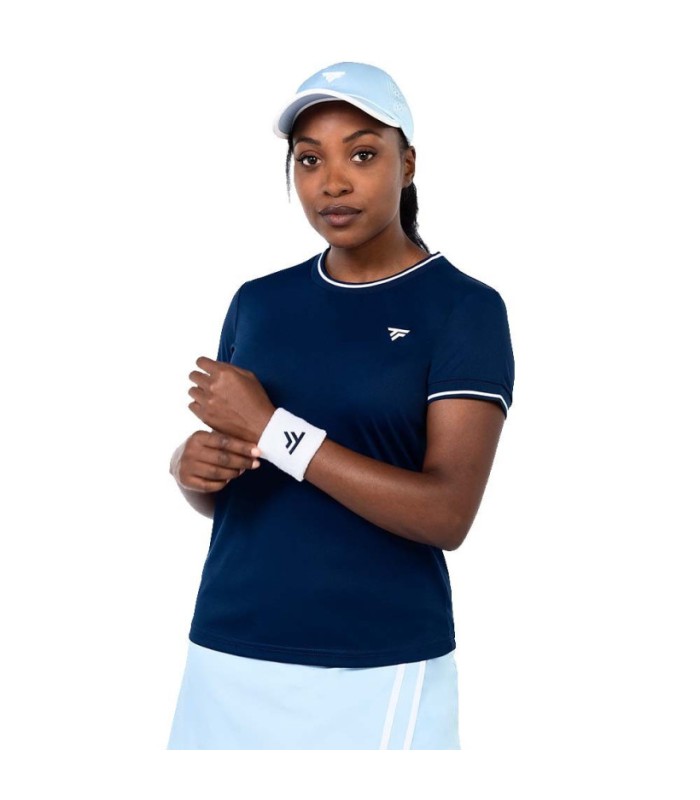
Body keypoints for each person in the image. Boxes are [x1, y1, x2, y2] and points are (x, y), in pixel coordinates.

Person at [166, 61, 515, 750]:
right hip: (227, 647)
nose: (332, 182)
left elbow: (447, 514)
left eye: (361, 154)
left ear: (406, 163)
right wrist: (190, 468)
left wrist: (273, 428)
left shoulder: (463, 310)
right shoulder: (258, 303)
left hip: (374, 665)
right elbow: (244, 484)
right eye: (308, 159)